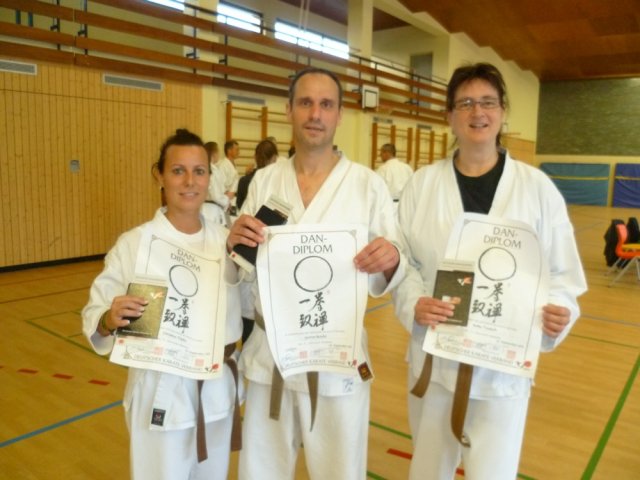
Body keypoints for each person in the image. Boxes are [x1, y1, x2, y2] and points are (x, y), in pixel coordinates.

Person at [392, 63, 587, 479]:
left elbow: (563, 274)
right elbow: (404, 261)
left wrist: (559, 312)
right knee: (427, 470)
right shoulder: (422, 185)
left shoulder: (537, 189)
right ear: (449, 116)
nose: (477, 112)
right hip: (435, 358)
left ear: (502, 112)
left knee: (493, 473)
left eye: (487, 102)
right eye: (465, 103)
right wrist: (414, 303)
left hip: (503, 367)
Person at [228, 67, 406, 480]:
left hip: (337, 358)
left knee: (340, 471)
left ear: (340, 114)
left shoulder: (367, 185)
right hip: (271, 357)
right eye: (306, 102)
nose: (315, 113)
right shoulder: (263, 182)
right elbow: (243, 268)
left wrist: (391, 257)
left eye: (326, 104)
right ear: (289, 110)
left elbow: (391, 268)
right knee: (261, 472)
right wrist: (233, 244)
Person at [82, 129, 243, 480]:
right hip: (161, 391)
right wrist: (108, 318)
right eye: (178, 171)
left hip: (216, 393)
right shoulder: (135, 244)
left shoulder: (227, 242)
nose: (190, 182)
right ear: (159, 175)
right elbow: (95, 314)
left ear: (209, 177)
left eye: (199, 171)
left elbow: (254, 304)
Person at [236, 139, 278, 211]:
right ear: (274, 158)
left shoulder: (244, 180)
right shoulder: (279, 180)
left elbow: (239, 205)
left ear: (255, 157)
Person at [203, 141, 230, 225]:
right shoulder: (212, 171)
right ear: (214, 153)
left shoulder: (205, 168)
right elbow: (215, 195)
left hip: (205, 207)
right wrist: (227, 201)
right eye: (218, 152)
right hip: (212, 208)